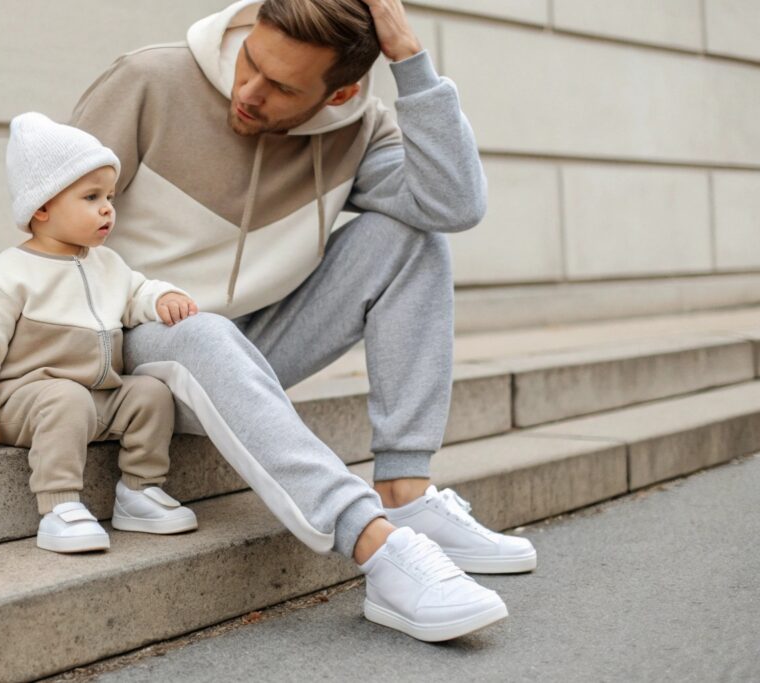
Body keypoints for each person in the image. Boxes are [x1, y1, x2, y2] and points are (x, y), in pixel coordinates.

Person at [71, 0, 535, 641]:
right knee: (201, 329)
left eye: (283, 87)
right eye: (250, 61)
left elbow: (451, 204)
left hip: (248, 343)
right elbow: (48, 226)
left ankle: (406, 495)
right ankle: (378, 547)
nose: (249, 91)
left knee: (414, 238)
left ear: (337, 93)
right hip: (125, 350)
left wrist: (409, 60)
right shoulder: (148, 81)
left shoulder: (357, 129)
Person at [0, 112, 200, 554]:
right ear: (42, 207)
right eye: (91, 197)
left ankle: (140, 491)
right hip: (27, 401)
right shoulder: (11, 272)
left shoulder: (106, 263)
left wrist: (162, 297)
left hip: (96, 397)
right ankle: (59, 506)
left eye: (109, 197)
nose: (107, 208)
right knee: (65, 397)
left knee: (150, 393)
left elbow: (136, 292)